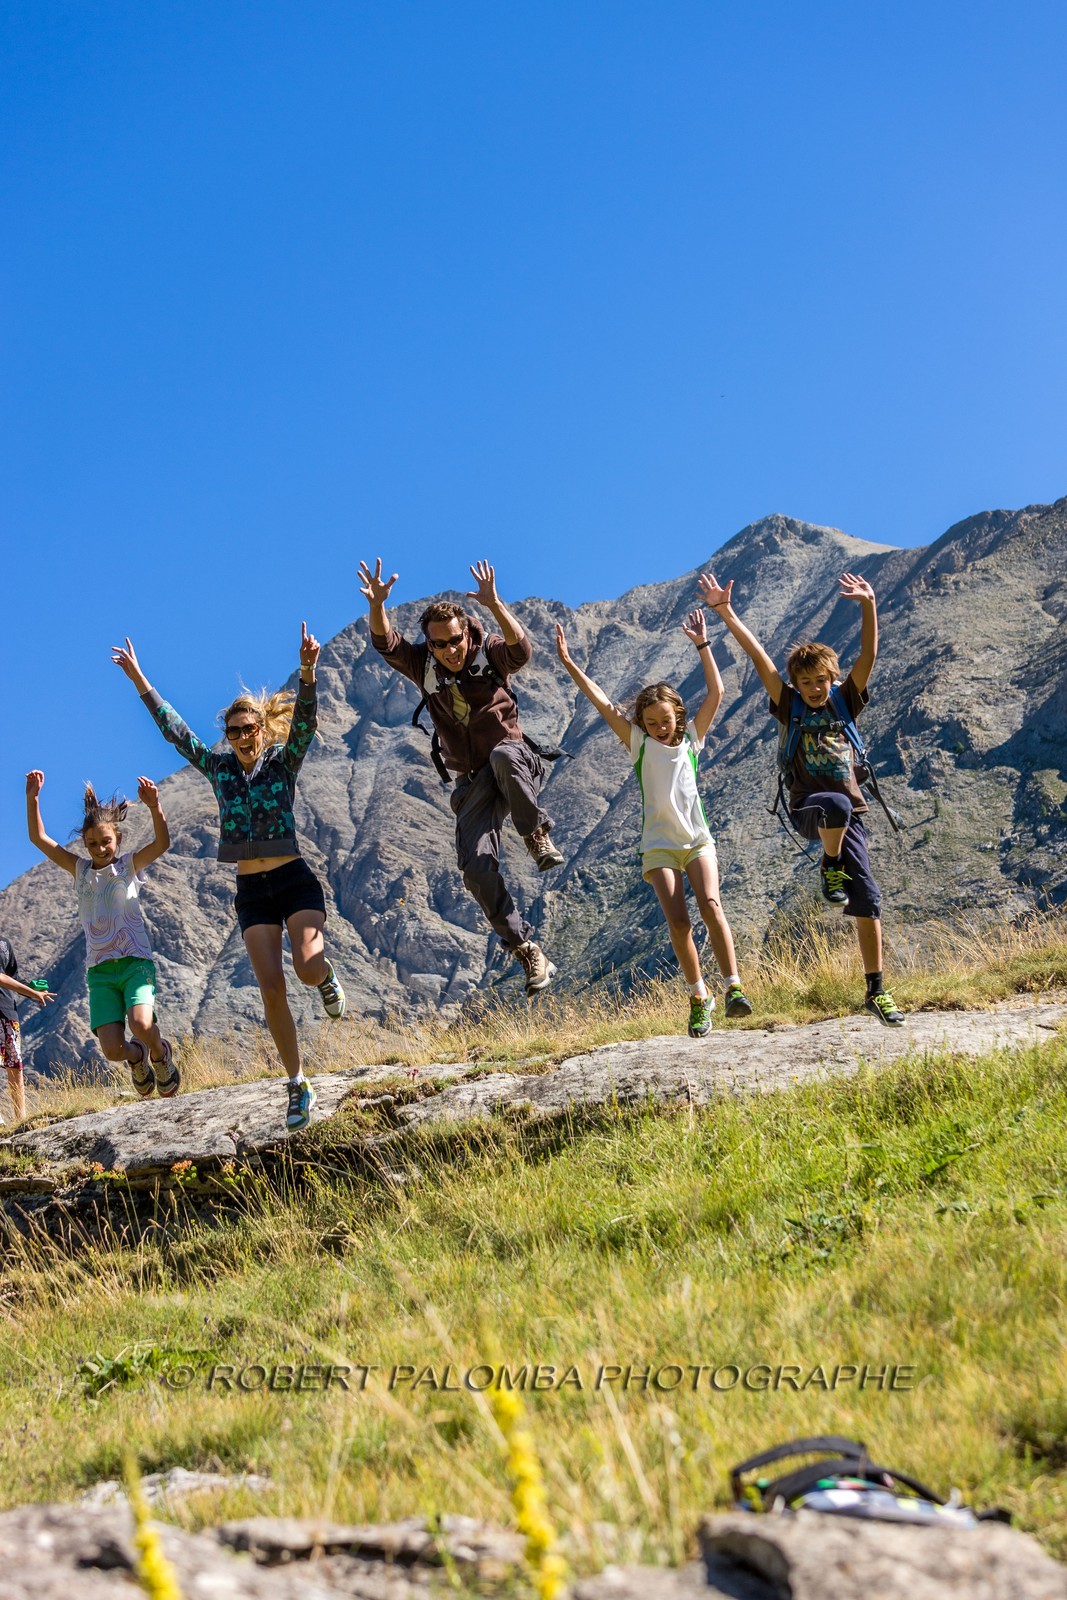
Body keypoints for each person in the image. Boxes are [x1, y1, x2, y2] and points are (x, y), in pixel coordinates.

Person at [111, 623, 345, 1130]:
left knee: (306, 967)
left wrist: (307, 671)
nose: (240, 738)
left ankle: (325, 979)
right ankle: (297, 1083)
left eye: (248, 729)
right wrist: (139, 679)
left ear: (262, 729)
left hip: (293, 877)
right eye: (233, 731)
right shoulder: (218, 768)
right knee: (271, 988)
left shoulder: (284, 763)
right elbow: (177, 734)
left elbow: (305, 721)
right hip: (252, 891)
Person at [698, 569, 905, 1026]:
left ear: (833, 679)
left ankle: (876, 990)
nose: (814, 689)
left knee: (868, 901)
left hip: (851, 818)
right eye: (806, 682)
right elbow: (758, 659)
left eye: (821, 681)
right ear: (796, 683)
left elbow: (869, 653)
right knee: (835, 804)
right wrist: (726, 611)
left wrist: (869, 605)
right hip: (807, 810)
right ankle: (829, 866)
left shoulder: (844, 701)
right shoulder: (788, 703)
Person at [359, 557, 562, 996]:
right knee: (474, 868)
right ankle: (525, 947)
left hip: (513, 761)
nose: (449, 651)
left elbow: (522, 652)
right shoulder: (423, 666)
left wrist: (495, 604)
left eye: (454, 641)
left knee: (505, 757)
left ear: (465, 633)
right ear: (429, 645)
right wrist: (377, 605)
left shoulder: (488, 651)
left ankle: (536, 835)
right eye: (439, 645)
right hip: (473, 780)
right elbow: (385, 642)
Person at [555, 609, 753, 1037]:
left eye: (666, 721)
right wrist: (571, 664)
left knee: (711, 905)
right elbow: (602, 702)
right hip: (658, 845)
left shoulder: (692, 740)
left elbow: (717, 691)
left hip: (698, 840)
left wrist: (703, 644)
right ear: (641, 725)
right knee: (678, 922)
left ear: (677, 716)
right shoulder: (639, 744)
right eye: (652, 723)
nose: (661, 729)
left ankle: (734, 986)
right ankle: (699, 997)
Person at [25, 772, 179, 1094]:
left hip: (135, 963)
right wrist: (33, 799)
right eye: (92, 843)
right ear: (84, 844)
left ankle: (160, 1053)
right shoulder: (79, 870)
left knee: (140, 1023)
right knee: (112, 1049)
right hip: (100, 973)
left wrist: (155, 807)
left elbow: (162, 843)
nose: (99, 848)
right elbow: (40, 839)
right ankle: (137, 1057)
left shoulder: (128, 866)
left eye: (106, 841)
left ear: (118, 839)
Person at [0, 933, 55, 1123]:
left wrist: (32, 990)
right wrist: (30, 993)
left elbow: (11, 977)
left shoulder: (4, 943)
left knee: (15, 1067)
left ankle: (20, 1120)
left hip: (8, 1012)